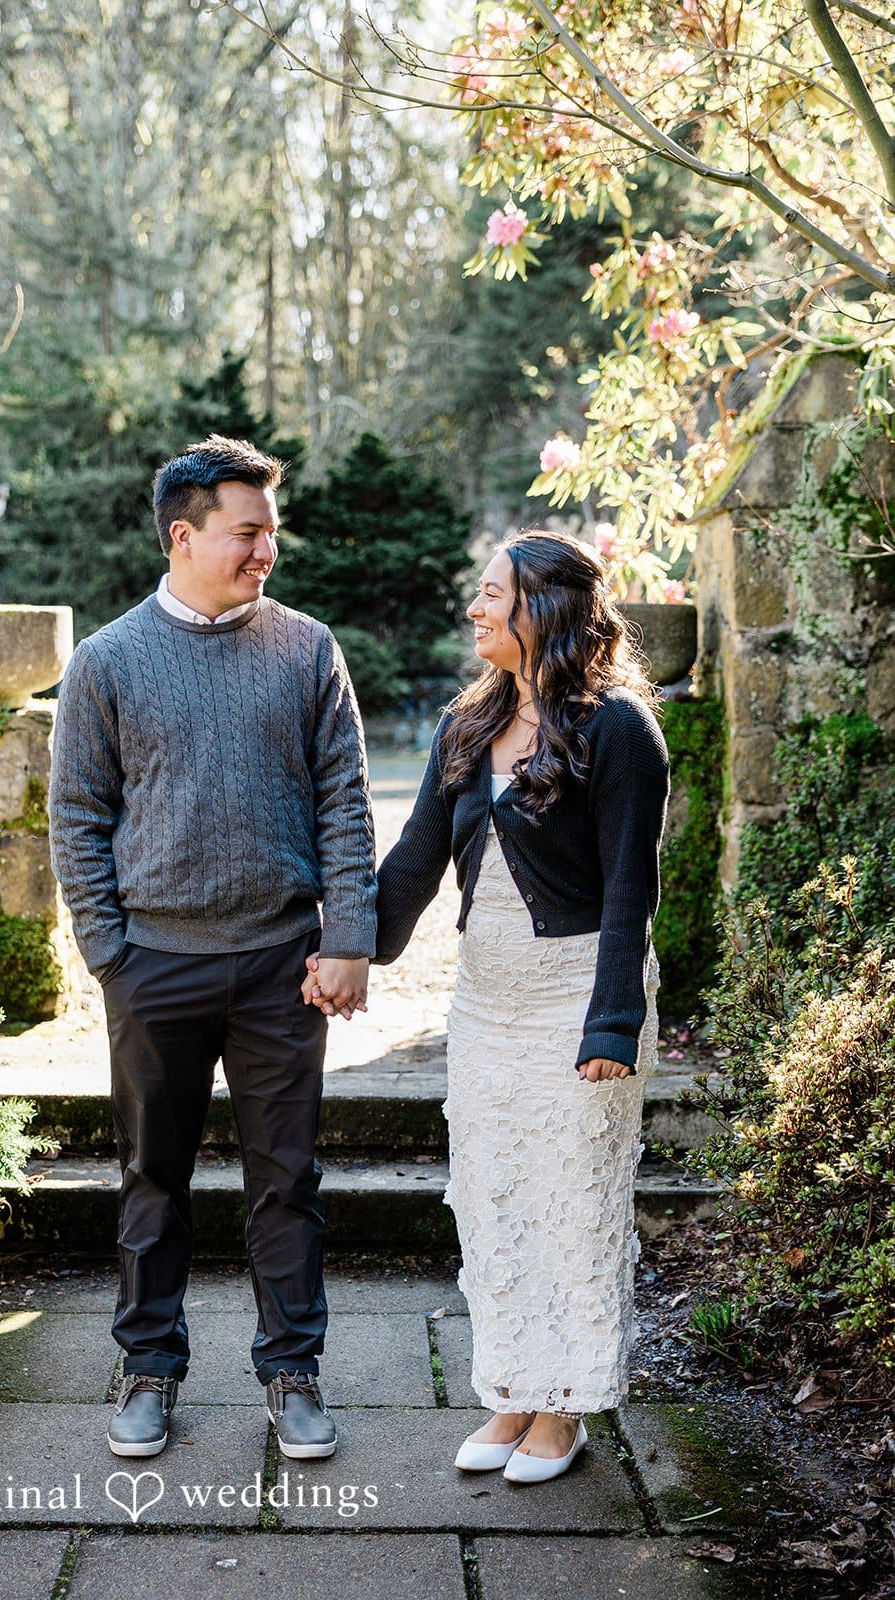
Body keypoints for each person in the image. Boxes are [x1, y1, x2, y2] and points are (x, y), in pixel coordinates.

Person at [49, 434, 376, 1461]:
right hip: (154, 965)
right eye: (246, 531)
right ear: (183, 536)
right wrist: (110, 953)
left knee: (287, 1180)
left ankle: (293, 1374)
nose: (264, 549)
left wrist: (348, 936)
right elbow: (76, 817)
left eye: (269, 531)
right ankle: (149, 1369)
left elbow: (345, 801)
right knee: (153, 1178)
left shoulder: (307, 649)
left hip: (283, 963)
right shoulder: (106, 661)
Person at [365, 529, 669, 1484]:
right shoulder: (469, 722)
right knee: (494, 1202)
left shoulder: (618, 730)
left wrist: (611, 1023)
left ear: (547, 608)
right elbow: (414, 859)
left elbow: (631, 892)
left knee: (571, 1200)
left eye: (493, 593)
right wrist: (347, 951)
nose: (475, 607)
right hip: (485, 1002)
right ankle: (511, 1390)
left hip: (575, 995)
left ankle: (565, 1406)